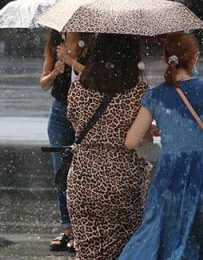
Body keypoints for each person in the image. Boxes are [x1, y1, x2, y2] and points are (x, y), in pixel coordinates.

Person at [120, 32, 203, 260]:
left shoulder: (155, 96)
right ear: (195, 58)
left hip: (169, 177)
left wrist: (161, 129)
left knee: (159, 234)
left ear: (167, 60)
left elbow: (131, 141)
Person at [66, 33, 151, 259]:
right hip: (123, 180)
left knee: (87, 252)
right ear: (132, 55)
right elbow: (143, 142)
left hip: (82, 178)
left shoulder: (78, 89)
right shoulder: (139, 92)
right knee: (125, 250)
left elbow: (74, 123)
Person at [40, 31, 90, 253]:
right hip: (60, 111)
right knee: (62, 172)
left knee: (83, 171)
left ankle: (83, 229)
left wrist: (71, 61)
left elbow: (93, 76)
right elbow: (43, 83)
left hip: (86, 114)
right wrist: (55, 73)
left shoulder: (89, 46)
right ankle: (67, 228)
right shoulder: (54, 45)